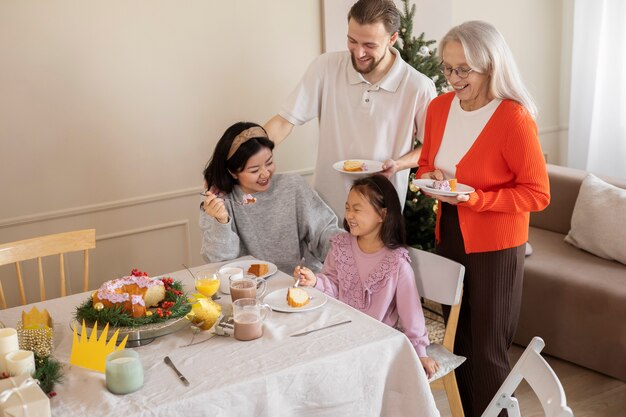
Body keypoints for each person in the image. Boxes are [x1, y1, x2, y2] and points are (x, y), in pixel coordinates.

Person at [386, 21, 551, 417]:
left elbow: (538, 193)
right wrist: (433, 180)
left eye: (464, 70)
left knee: (488, 350)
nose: (453, 79)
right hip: (452, 235)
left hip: (497, 244)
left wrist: (478, 198)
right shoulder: (439, 107)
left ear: (490, 67)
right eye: (447, 69)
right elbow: (426, 164)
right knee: (460, 344)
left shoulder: (513, 118)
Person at [264, 0, 436, 216]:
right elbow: (283, 121)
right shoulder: (326, 67)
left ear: (392, 38)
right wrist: (244, 158)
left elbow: (431, 147)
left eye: (370, 45)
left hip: (379, 215)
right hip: (323, 213)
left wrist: (399, 164)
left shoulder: (418, 87)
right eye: (352, 41)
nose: (359, 52)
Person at [295, 174, 439, 378]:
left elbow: (411, 315)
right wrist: (315, 281)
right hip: (339, 329)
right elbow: (334, 283)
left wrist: (421, 353)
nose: (349, 215)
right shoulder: (341, 246)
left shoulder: (396, 263)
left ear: (382, 214)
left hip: (375, 341)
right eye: (347, 208)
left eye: (357, 209)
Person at [200, 122, 341, 273]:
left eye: (269, 163)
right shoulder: (218, 200)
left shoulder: (293, 186)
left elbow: (324, 232)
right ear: (233, 172)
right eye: (254, 170)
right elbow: (218, 261)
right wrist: (221, 222)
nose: (266, 174)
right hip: (248, 288)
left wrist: (358, 245)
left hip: (301, 282)